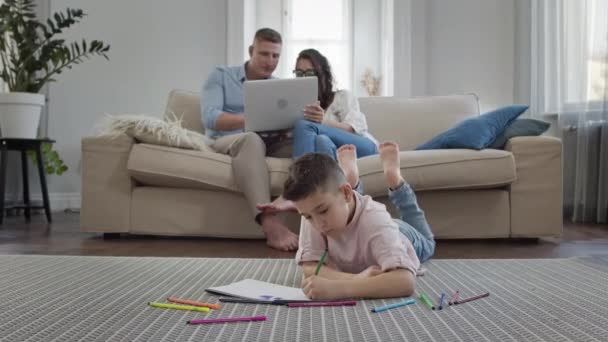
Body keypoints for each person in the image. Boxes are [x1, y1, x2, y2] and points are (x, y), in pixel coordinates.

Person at [283, 142, 435, 300]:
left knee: (429, 244)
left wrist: (339, 288)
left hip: (401, 233)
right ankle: (351, 177)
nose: (318, 225)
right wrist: (356, 279)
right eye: (307, 217)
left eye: (323, 211)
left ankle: (396, 181)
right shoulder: (312, 209)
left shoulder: (375, 220)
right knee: (344, 211)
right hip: (358, 218)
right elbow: (310, 267)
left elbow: (404, 281)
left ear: (346, 193)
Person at [201, 28, 298, 251]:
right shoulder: (222, 75)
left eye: (275, 56)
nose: (270, 61)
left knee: (308, 143)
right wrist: (250, 120)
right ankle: (269, 222)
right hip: (229, 140)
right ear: (251, 50)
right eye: (264, 54)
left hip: (270, 141)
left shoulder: (278, 86)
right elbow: (210, 117)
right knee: (251, 139)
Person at [291, 49, 378, 160]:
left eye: (309, 73)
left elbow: (353, 129)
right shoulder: (299, 107)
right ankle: (323, 176)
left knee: (303, 125)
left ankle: (299, 176)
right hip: (333, 152)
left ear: (322, 74)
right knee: (322, 140)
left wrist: (322, 122)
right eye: (299, 73)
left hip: (364, 147)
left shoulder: (342, 96)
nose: (303, 78)